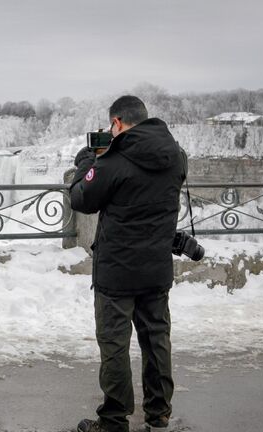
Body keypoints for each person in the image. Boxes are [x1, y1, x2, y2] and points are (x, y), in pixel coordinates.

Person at [69, 96, 186, 432]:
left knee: (115, 345)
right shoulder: (176, 157)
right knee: (157, 340)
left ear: (117, 123)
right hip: (157, 267)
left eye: (111, 127)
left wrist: (87, 162)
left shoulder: (113, 162)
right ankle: (159, 413)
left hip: (116, 272)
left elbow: (81, 198)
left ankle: (114, 419)